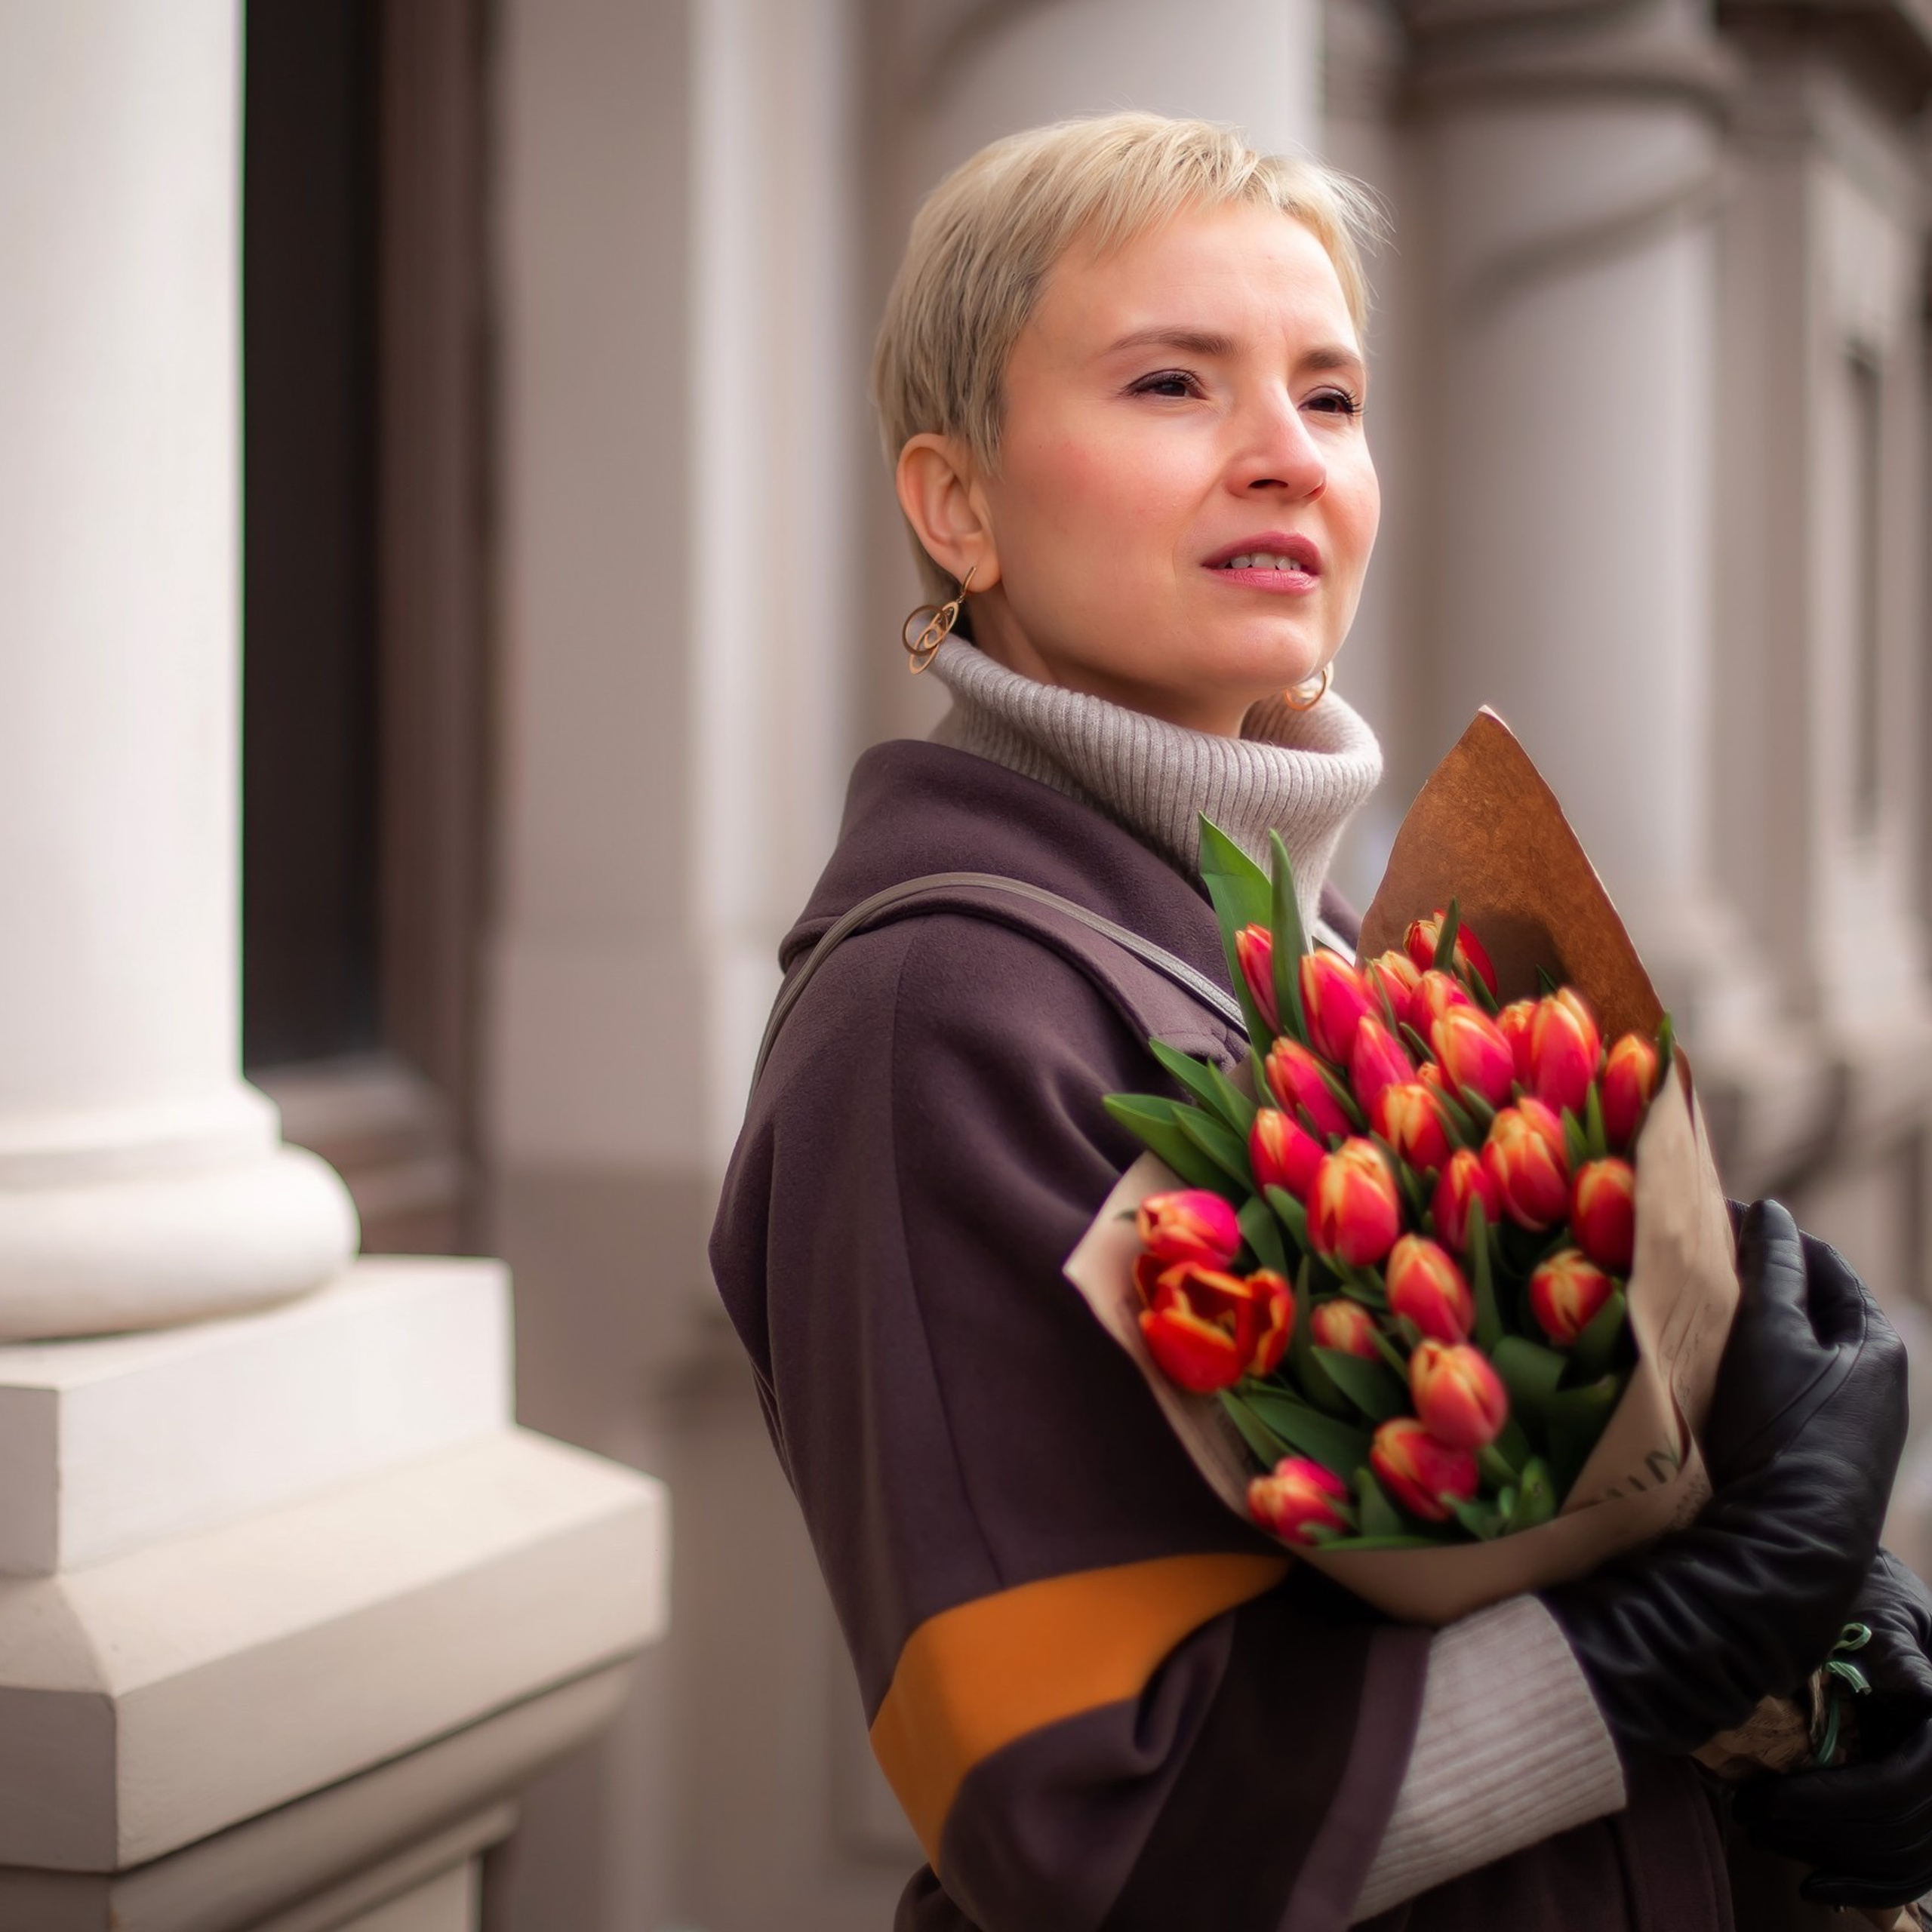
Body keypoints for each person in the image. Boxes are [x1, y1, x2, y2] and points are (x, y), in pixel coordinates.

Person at [709, 111, 1930, 1929]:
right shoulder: (931, 1013)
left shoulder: (1329, 948)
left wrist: (1809, 1682)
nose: (1283, 454)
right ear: (955, 503)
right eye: (1169, 385)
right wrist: (1665, 1644)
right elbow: (1080, 1824)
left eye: (1331, 398)